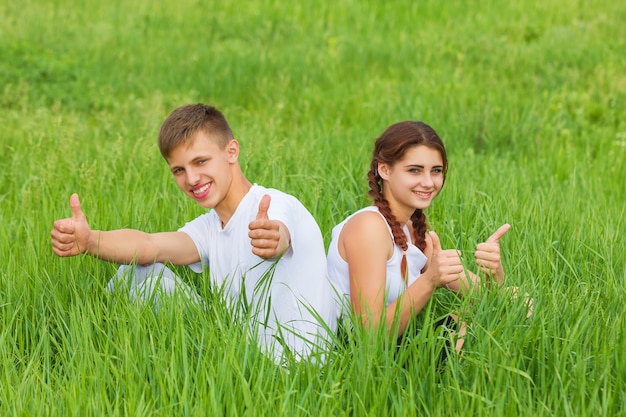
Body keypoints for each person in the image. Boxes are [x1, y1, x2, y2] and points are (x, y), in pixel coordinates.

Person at [50, 103, 337, 362]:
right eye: (179, 170)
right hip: (239, 355)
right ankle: (92, 353)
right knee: (136, 271)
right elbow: (149, 246)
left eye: (200, 162)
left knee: (146, 282)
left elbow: (278, 232)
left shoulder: (273, 204)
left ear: (231, 152)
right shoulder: (210, 226)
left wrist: (274, 239)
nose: (191, 179)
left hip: (293, 365)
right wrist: (90, 241)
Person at [326, 121, 520, 358]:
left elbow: (491, 301)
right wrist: (429, 280)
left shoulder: (415, 235)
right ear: (384, 170)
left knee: (520, 302)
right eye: (414, 170)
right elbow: (368, 335)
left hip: (394, 348)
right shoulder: (368, 227)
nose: (428, 182)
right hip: (356, 357)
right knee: (475, 328)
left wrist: (493, 273)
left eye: (436, 171)